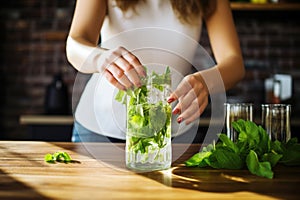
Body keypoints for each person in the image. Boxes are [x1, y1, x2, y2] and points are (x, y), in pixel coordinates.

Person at [66, 0, 245, 143]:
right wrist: (99, 58)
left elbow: (234, 63)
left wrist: (206, 82)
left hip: (174, 131)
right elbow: (75, 44)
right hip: (98, 129)